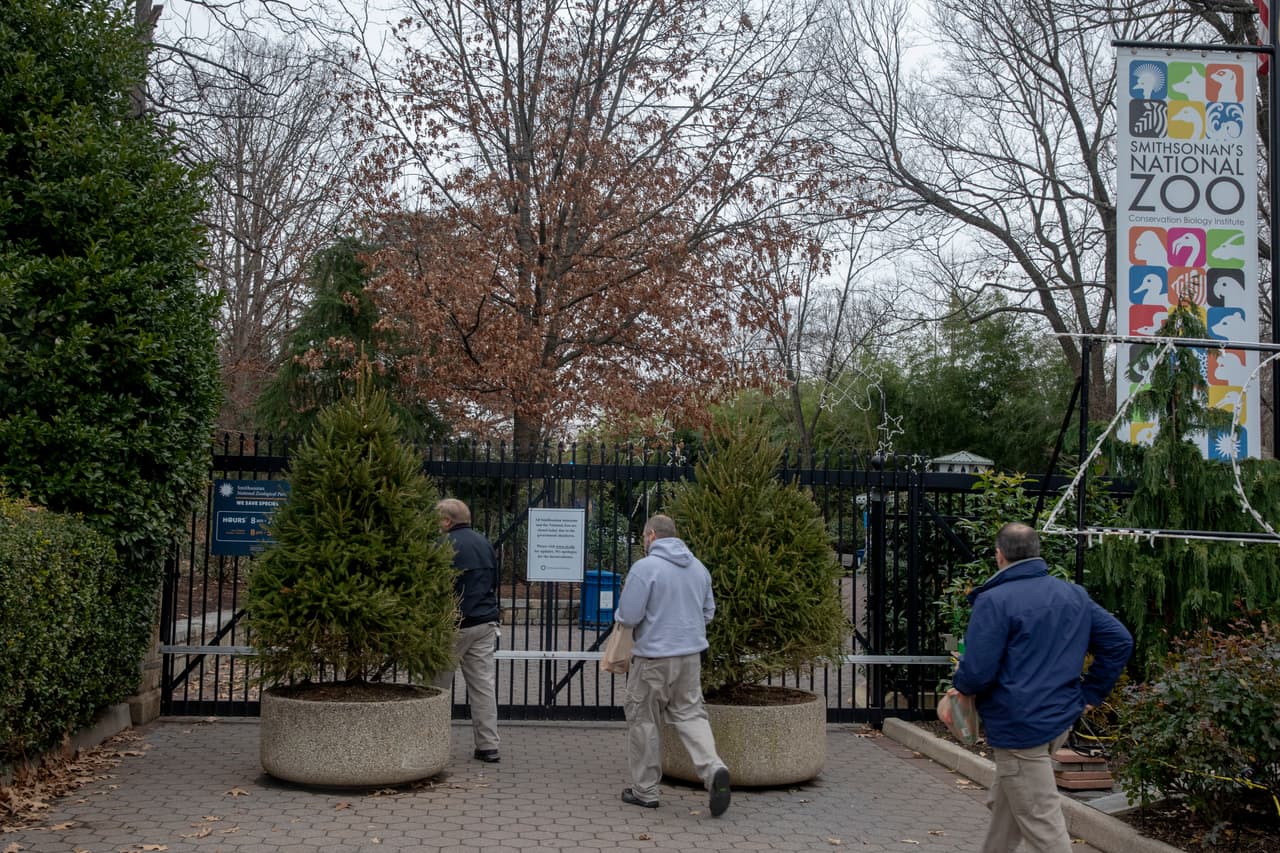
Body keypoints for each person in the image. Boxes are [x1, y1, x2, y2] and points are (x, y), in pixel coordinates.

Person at [952, 522, 1133, 853]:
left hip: (1020, 727)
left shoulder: (994, 601)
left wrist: (959, 685)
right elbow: (1119, 641)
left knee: (1042, 825)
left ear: (1000, 555)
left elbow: (977, 673)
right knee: (1008, 812)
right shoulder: (1073, 594)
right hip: (1057, 721)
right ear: (1036, 553)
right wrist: (1091, 693)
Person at [613, 513, 731, 817]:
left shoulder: (645, 568)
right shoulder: (698, 568)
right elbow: (708, 612)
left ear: (652, 535)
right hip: (691, 657)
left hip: (653, 659)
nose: (643, 542)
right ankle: (714, 769)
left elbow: (628, 616)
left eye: (643, 537)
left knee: (643, 719)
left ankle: (645, 791)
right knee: (691, 714)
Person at [433, 498, 502, 763]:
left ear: (447, 521)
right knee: (483, 685)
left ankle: (432, 742)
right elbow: (493, 581)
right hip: (484, 624)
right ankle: (488, 746)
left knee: (437, 686)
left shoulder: (442, 545)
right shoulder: (484, 543)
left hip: (452, 625)